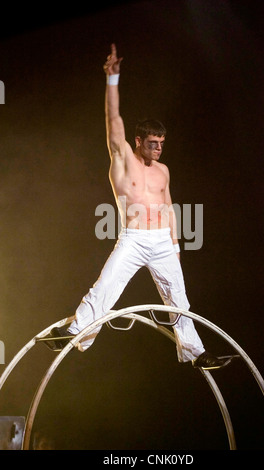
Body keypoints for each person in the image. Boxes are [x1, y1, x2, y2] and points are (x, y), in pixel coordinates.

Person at [45, 44, 231, 370]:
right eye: (152, 143)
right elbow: (112, 118)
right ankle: (74, 332)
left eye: (161, 144)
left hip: (162, 240)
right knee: (105, 288)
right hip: (133, 239)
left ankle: (196, 353)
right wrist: (112, 80)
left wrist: (175, 245)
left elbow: (169, 205)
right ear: (138, 142)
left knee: (179, 300)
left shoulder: (163, 170)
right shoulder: (123, 161)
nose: (158, 149)